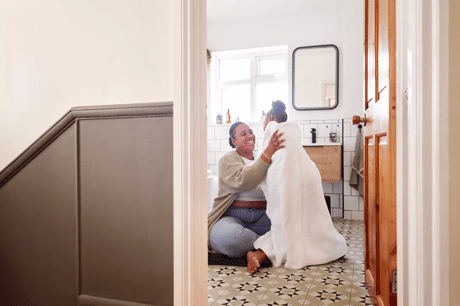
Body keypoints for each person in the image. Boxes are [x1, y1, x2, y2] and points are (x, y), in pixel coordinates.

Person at [254, 100, 348, 269]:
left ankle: (278, 252)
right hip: (310, 175)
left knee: (287, 219)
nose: (263, 127)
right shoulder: (291, 130)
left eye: (263, 122)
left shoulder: (272, 129)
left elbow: (262, 161)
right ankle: (333, 247)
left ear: (271, 118)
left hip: (289, 176)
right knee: (314, 217)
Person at [207, 121, 285, 273]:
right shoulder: (228, 159)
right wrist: (269, 151)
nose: (250, 136)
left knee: (292, 228)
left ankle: (258, 253)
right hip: (232, 216)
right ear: (234, 141)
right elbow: (245, 181)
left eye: (250, 132)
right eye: (243, 134)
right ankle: (270, 245)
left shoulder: (262, 157)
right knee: (230, 239)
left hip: (262, 216)